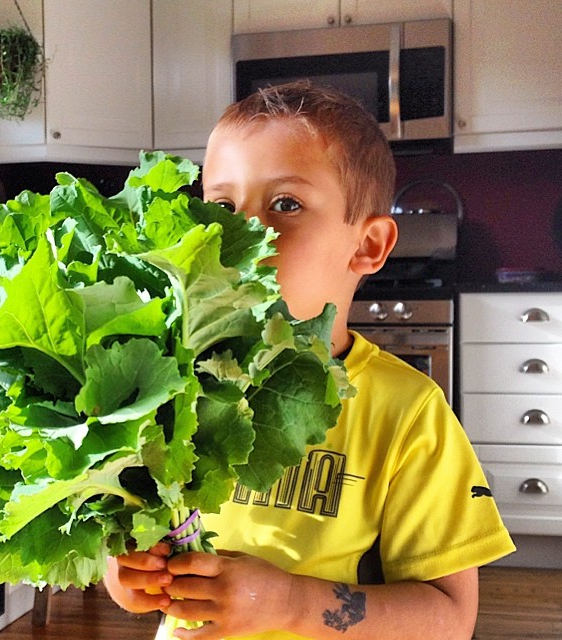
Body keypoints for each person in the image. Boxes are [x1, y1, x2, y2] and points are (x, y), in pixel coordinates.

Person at [104, 81, 515, 639]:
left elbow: (450, 619)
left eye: (285, 204)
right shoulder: (172, 384)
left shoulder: (407, 410)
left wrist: (292, 603)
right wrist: (130, 577)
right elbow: (132, 552)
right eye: (222, 205)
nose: (239, 233)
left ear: (368, 245)